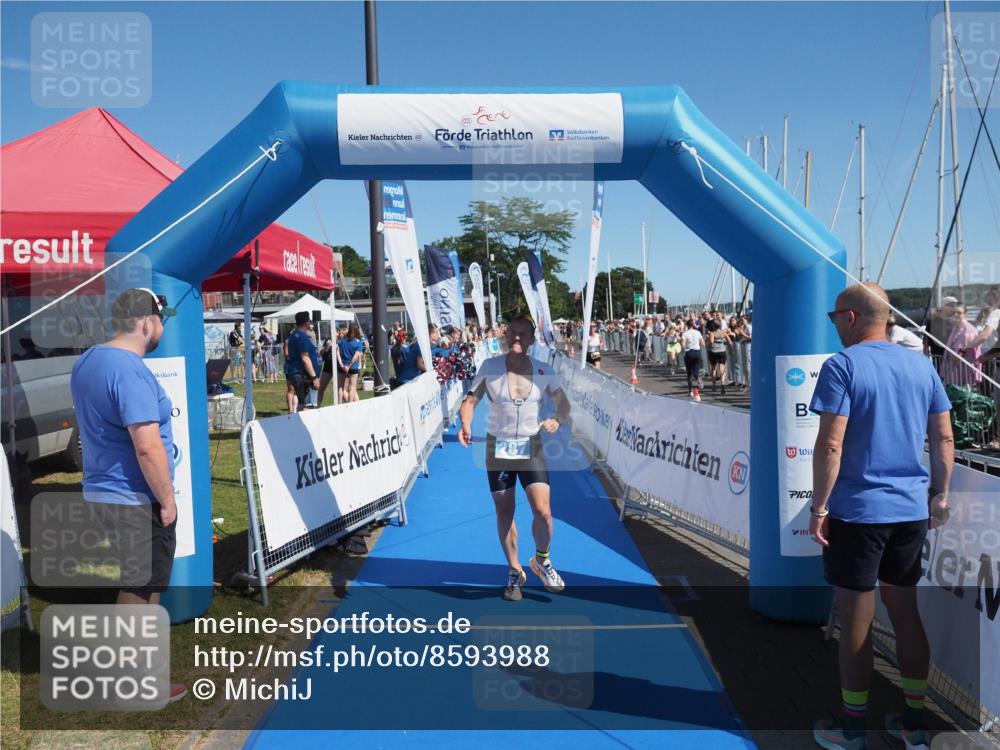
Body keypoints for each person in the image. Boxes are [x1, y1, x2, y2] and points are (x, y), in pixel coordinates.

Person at [809, 283, 953, 750]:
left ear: (851, 318)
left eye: (834, 318)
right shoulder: (921, 365)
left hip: (858, 512)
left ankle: (853, 729)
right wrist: (941, 494)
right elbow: (944, 440)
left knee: (855, 618)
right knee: (904, 611)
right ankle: (914, 722)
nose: (833, 327)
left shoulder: (843, 366)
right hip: (911, 510)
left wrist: (818, 507)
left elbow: (831, 444)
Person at [69, 288, 187, 702]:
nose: (162, 329)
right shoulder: (129, 370)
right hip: (134, 496)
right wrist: (167, 500)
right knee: (140, 590)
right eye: (162, 320)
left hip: (104, 490)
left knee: (138, 583)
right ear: (145, 321)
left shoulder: (88, 361)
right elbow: (147, 445)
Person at [458, 315, 572, 601]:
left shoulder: (544, 371)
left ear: (532, 339)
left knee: (543, 511)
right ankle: (513, 570)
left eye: (523, 334)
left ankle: (542, 560)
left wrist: (557, 419)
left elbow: (564, 404)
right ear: (505, 337)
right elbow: (470, 401)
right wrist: (466, 424)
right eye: (512, 333)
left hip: (530, 446)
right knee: (504, 510)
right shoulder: (490, 367)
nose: (517, 338)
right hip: (498, 447)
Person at [285, 312, 322, 411]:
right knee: (309, 406)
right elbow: (305, 358)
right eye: (309, 321)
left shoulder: (295, 335)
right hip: (304, 375)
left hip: (299, 374)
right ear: (306, 322)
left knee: (302, 403)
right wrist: (314, 377)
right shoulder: (301, 336)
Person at [942, 305, 981, 387]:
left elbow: (974, 351)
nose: (955, 315)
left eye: (959, 313)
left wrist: (958, 356)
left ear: (965, 314)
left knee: (964, 396)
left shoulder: (969, 330)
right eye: (954, 313)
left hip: (965, 371)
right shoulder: (955, 328)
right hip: (953, 369)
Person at [337, 322, 365, 403]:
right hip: (353, 367)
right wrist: (348, 366)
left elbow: (337, 352)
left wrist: (341, 364)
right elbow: (356, 356)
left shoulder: (342, 340)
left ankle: (339, 403)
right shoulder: (358, 342)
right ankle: (350, 404)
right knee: (352, 387)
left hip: (342, 366)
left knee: (341, 387)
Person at [681, 318, 704, 401]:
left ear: (687, 325)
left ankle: (690, 391)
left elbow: (683, 345)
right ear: (693, 325)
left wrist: (686, 346)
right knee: (696, 371)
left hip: (689, 352)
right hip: (697, 352)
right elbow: (703, 344)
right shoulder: (698, 332)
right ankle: (698, 378)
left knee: (689, 373)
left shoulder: (685, 333)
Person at [706, 319, 731, 395]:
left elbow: (711, 342)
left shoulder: (712, 333)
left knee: (714, 368)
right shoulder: (723, 332)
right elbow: (729, 341)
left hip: (713, 352)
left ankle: (714, 386)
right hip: (722, 351)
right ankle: (722, 385)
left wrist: (708, 339)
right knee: (722, 368)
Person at [318, 337, 335, 405]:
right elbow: (321, 352)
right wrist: (327, 347)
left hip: (337, 369)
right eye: (327, 343)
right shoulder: (325, 348)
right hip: (327, 369)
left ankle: (350, 403)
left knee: (340, 389)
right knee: (321, 388)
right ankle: (318, 404)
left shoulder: (337, 344)